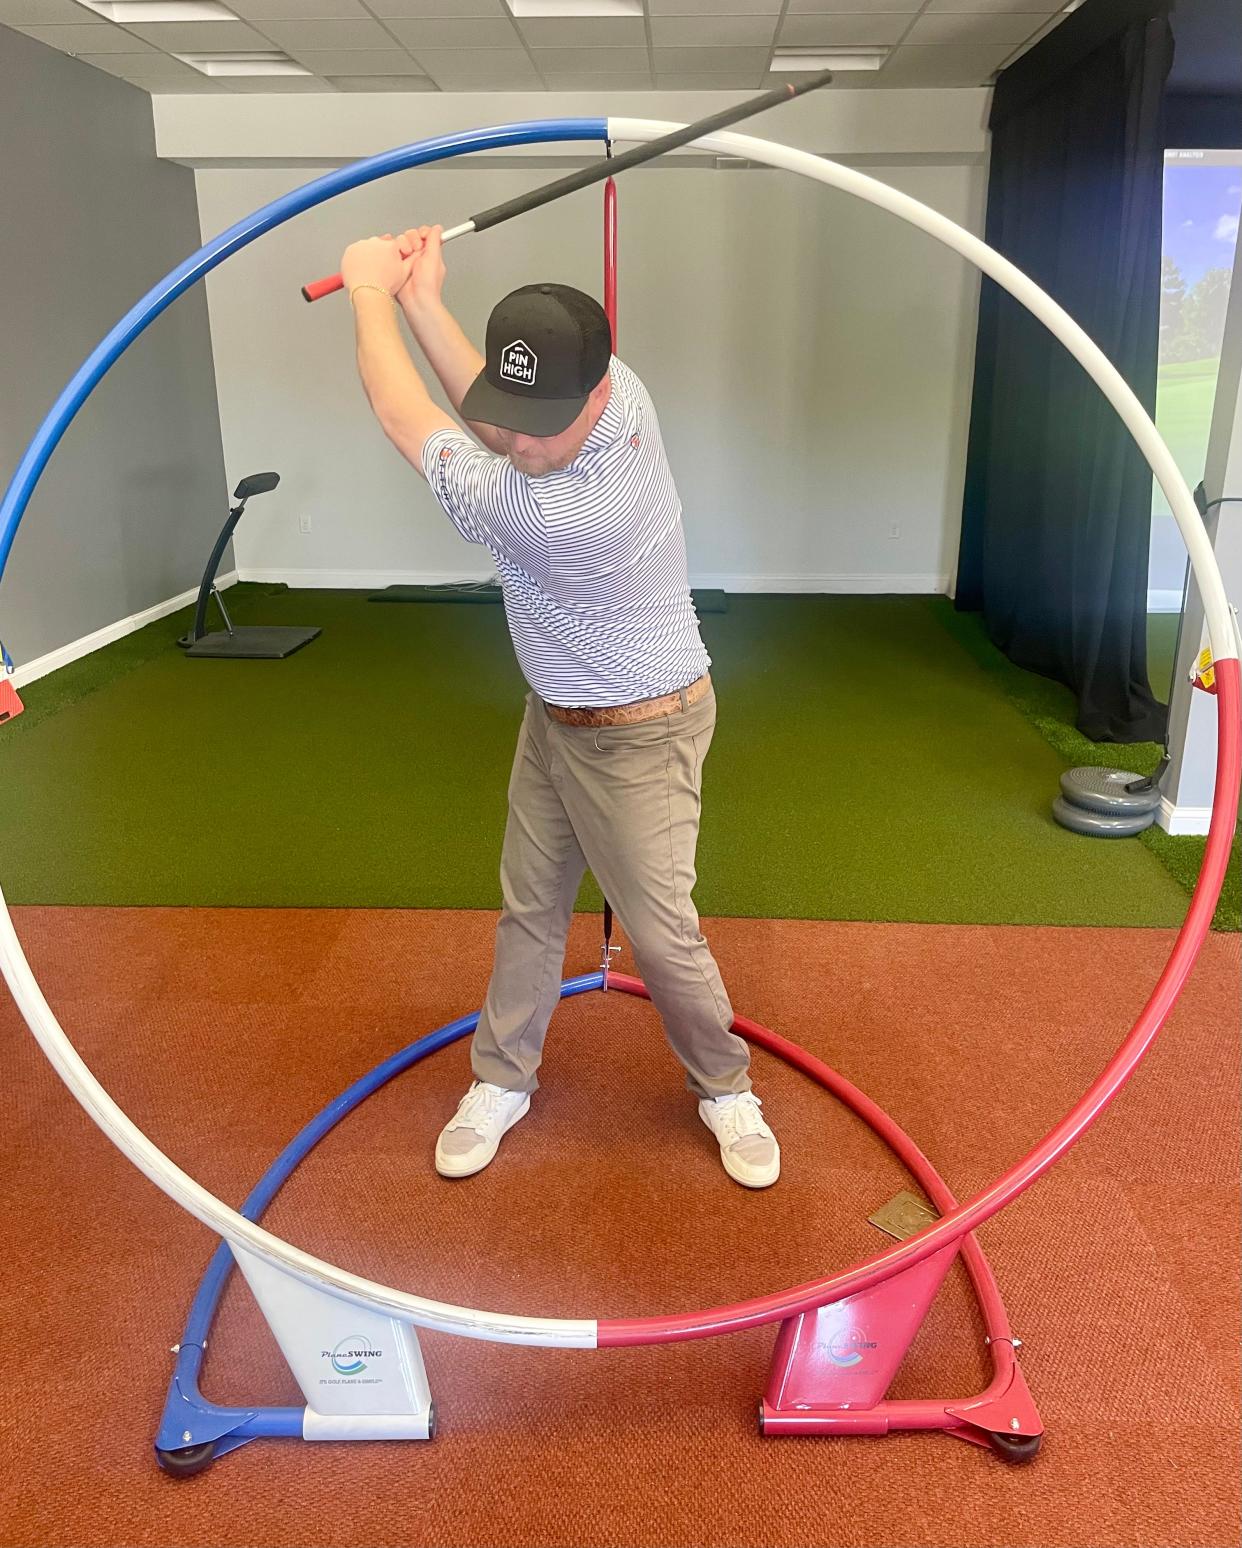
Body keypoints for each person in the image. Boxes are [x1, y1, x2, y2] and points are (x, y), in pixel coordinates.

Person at [340, 225, 780, 1190]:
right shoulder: (620, 385)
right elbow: (496, 412)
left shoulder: (552, 511)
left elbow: (405, 413)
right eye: (516, 413)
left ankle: (726, 1086)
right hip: (555, 714)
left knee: (663, 936)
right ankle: (503, 1078)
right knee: (530, 909)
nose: (521, 444)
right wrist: (425, 299)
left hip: (643, 728)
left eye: (544, 424)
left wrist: (369, 290)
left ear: (597, 395)